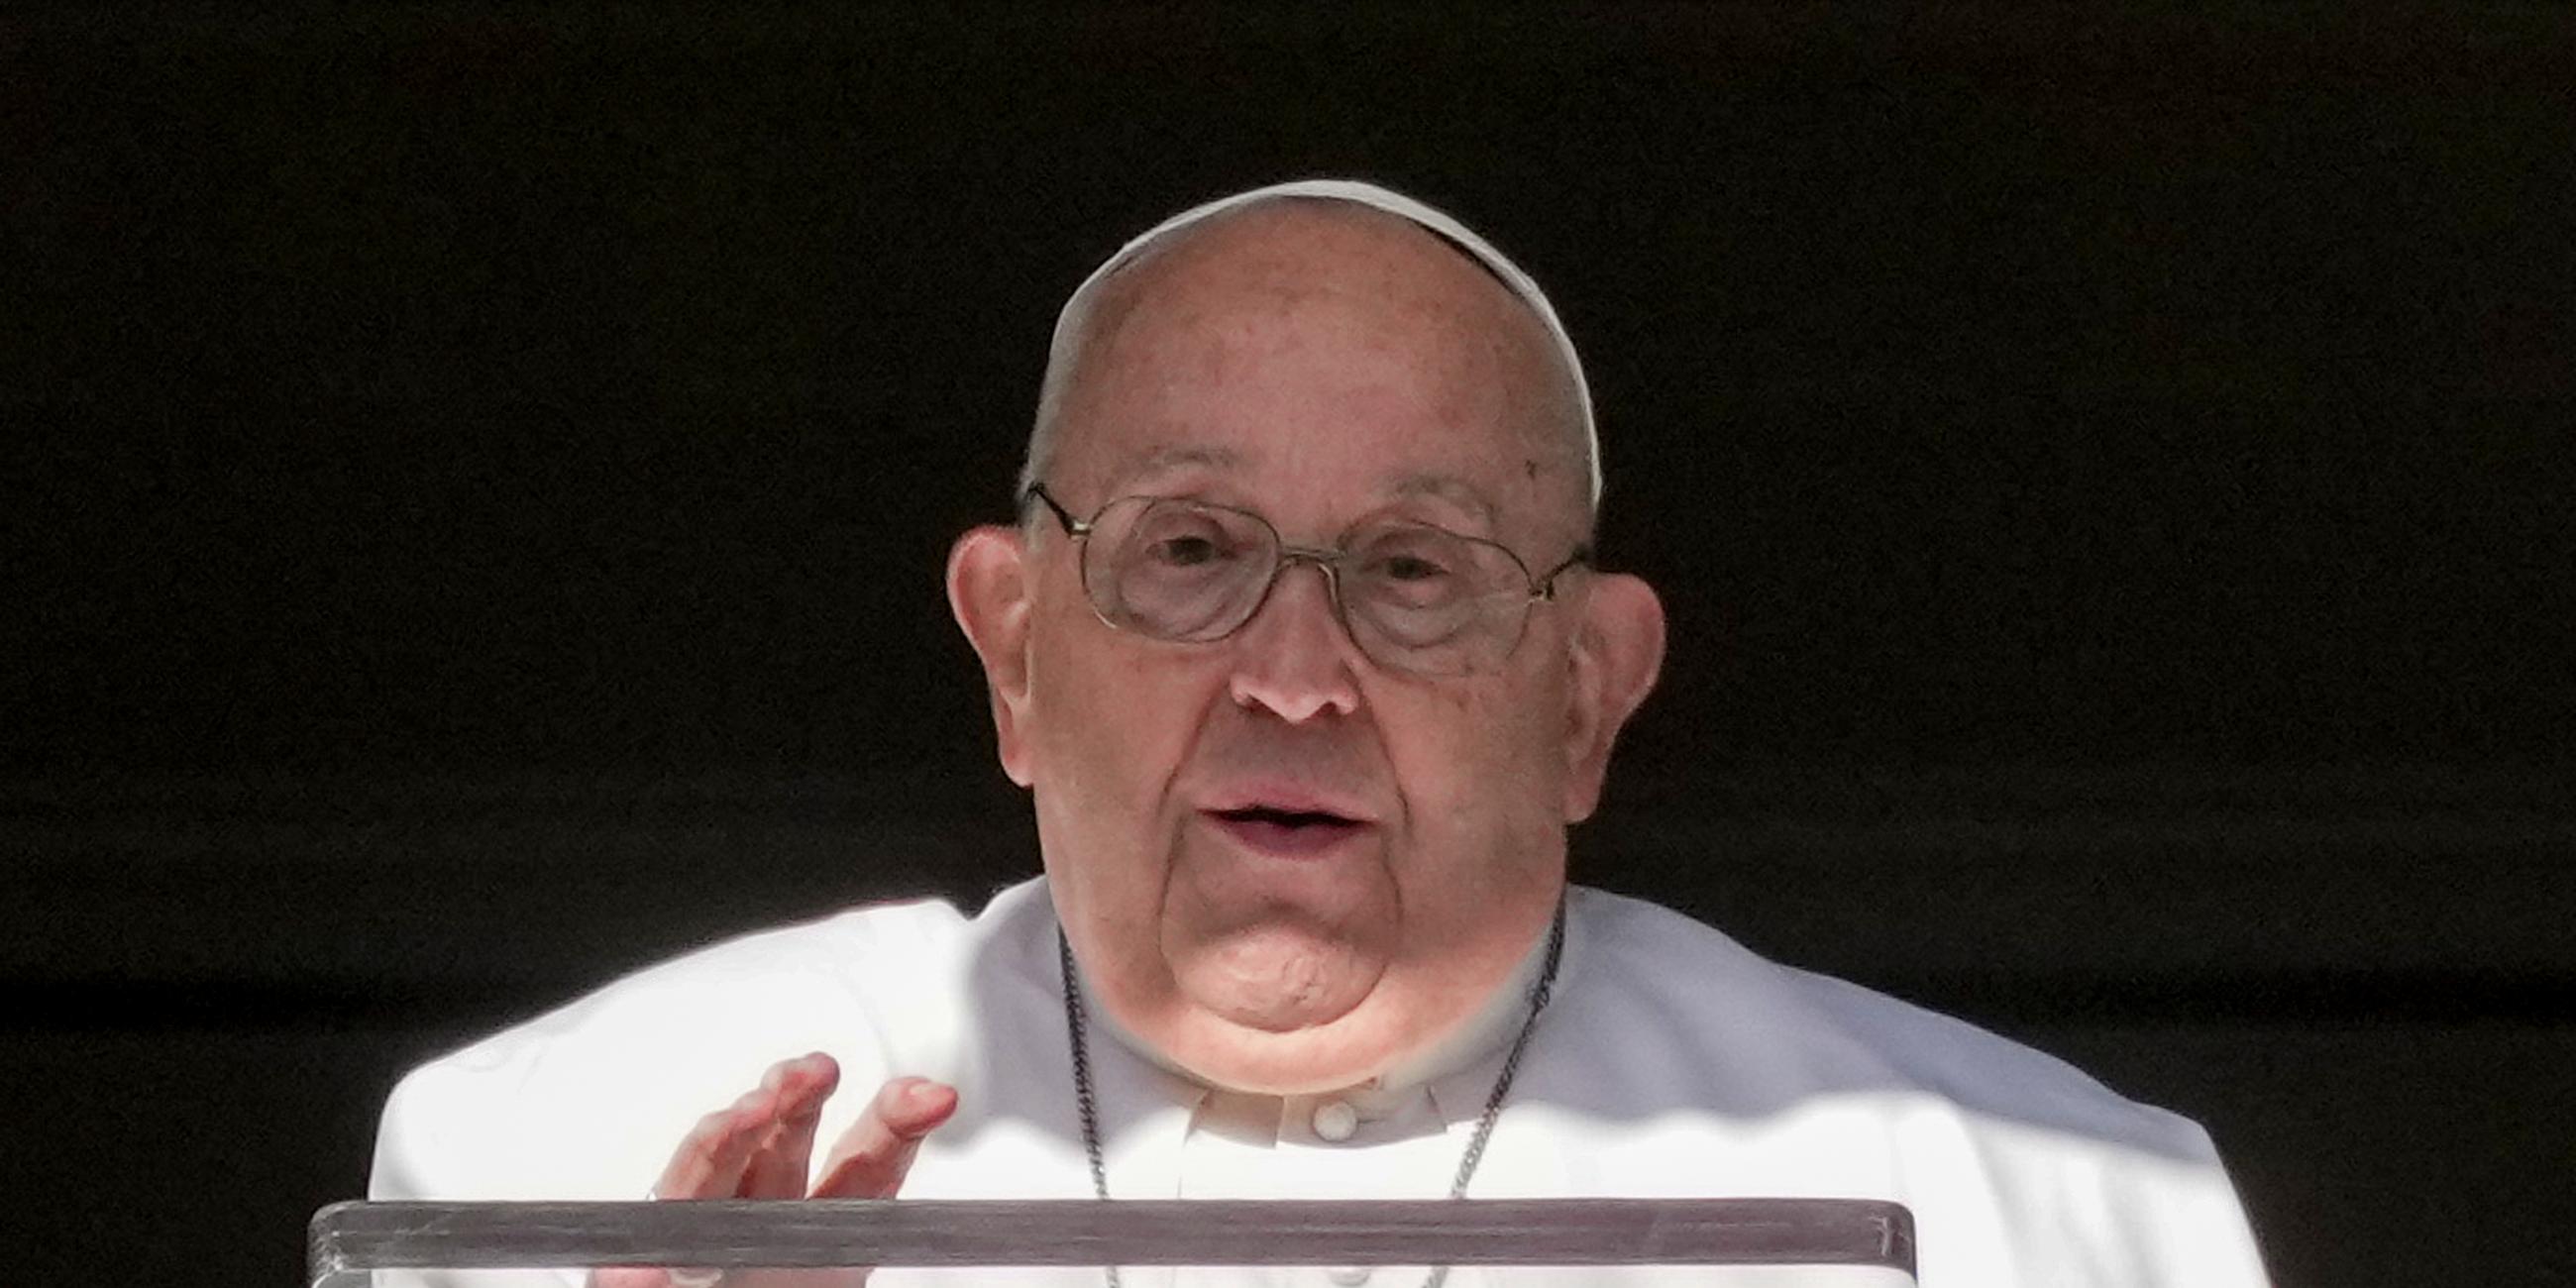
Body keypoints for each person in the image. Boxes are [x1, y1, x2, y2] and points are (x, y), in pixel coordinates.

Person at [371, 179, 2270, 1286]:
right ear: (1012, 652)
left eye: (1417, 569)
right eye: (1189, 552)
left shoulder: (2045, 1213)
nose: (1297, 673)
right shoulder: (556, 1162)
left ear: (1589, 692)